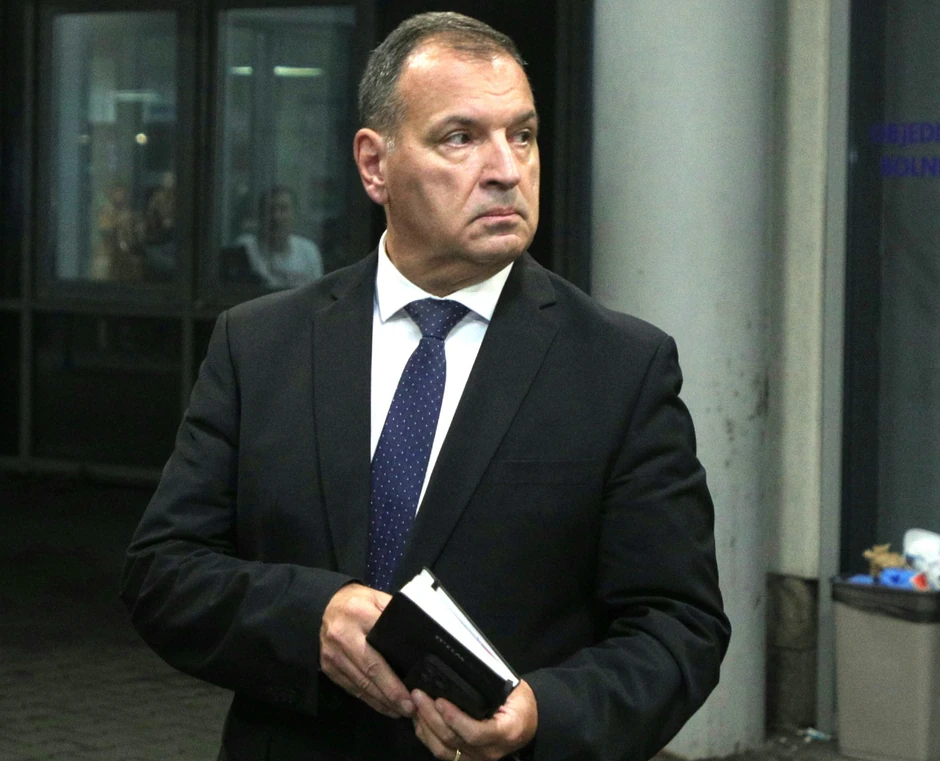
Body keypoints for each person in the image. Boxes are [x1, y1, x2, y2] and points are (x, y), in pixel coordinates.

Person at [121, 12, 730, 761]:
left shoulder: (619, 367)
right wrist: (313, 618)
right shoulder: (261, 345)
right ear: (374, 165)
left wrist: (542, 712)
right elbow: (164, 572)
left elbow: (678, 626)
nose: (506, 169)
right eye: (460, 138)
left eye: (523, 135)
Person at [234, 185, 325, 288]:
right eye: (270, 210)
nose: (276, 217)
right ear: (260, 215)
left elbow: (318, 292)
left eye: (283, 209)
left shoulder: (309, 251)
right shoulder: (246, 248)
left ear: (294, 214)